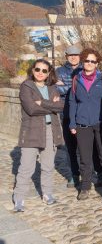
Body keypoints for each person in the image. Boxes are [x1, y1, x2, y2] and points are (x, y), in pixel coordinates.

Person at [13, 59, 64, 212]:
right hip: (31, 132)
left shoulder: (52, 87)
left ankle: (47, 194)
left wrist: (42, 103)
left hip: (51, 131)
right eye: (37, 69)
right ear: (32, 70)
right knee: (26, 167)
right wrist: (51, 106)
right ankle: (19, 198)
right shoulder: (26, 86)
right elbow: (31, 109)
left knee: (48, 166)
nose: (40, 73)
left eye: (44, 70)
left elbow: (61, 106)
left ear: (49, 73)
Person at [68, 48, 102, 200]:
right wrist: (72, 123)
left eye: (93, 61)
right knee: (85, 157)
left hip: (101, 123)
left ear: (97, 63)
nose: (89, 63)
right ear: (83, 61)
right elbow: (72, 102)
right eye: (87, 60)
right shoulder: (76, 79)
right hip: (82, 124)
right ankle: (85, 186)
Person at [55, 45, 82, 188]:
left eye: (76, 55)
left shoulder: (85, 69)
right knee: (70, 146)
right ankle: (74, 174)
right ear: (66, 56)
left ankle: (87, 173)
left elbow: (86, 89)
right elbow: (55, 88)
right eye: (71, 55)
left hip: (83, 113)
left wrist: (66, 87)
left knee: (84, 147)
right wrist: (75, 88)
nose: (73, 57)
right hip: (65, 113)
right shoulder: (59, 71)